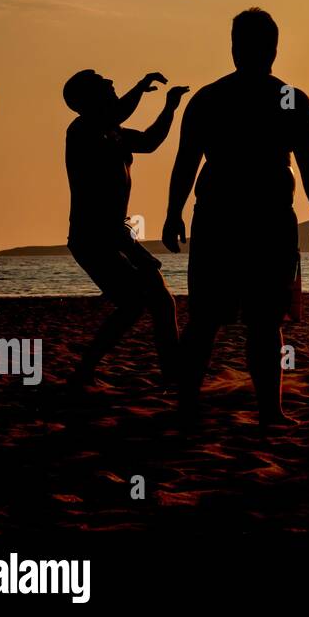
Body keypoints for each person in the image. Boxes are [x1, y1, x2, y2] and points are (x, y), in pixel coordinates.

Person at [162, 9, 309, 427]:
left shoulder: (214, 97)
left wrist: (173, 213)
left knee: (231, 320)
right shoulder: (273, 98)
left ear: (237, 46)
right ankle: (260, 411)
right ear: (272, 49)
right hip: (247, 218)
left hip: (244, 218)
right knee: (246, 321)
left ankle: (243, 410)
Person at [63, 69, 188, 388]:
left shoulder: (114, 131)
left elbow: (149, 142)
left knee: (159, 301)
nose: (110, 83)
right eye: (104, 83)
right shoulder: (82, 130)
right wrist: (139, 87)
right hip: (92, 237)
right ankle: (87, 369)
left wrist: (169, 108)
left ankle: (173, 375)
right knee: (135, 304)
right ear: (87, 100)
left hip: (118, 234)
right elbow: (116, 111)